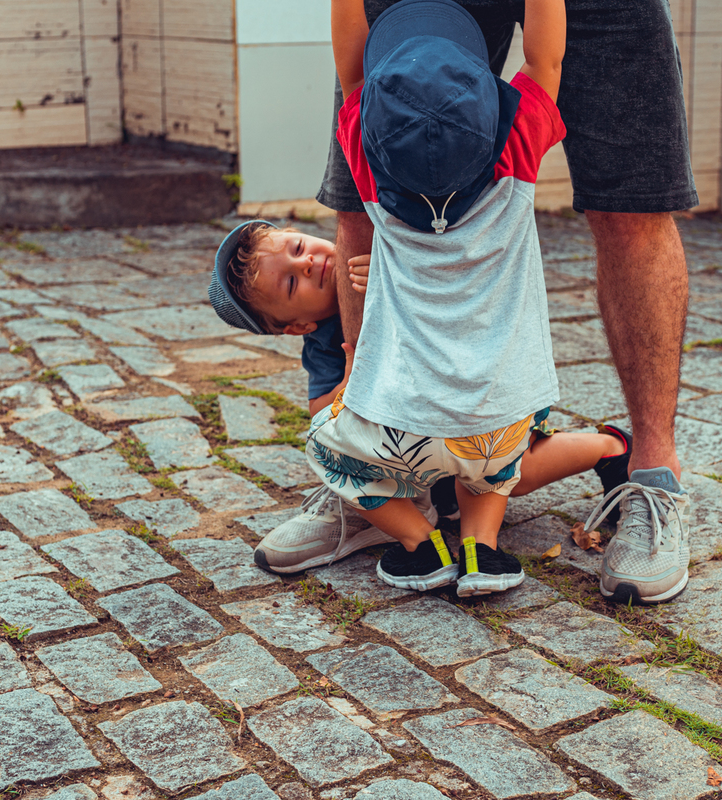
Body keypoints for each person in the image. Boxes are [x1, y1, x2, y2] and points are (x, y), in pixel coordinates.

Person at [317, 0, 694, 604]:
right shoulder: (517, 154)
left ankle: (651, 476)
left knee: (634, 201)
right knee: (490, 451)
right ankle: (463, 526)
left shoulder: (367, 138)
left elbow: (354, 72)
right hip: (502, 421)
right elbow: (547, 62)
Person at [208, 219, 631, 580]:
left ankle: (611, 448)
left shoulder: (382, 259)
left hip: (476, 409)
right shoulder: (323, 340)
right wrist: (352, 377)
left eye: (299, 247)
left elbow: (451, 295)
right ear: (298, 325)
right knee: (335, 446)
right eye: (291, 281)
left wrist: (395, 281)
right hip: (413, 445)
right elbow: (322, 414)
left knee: (522, 474)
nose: (308, 262)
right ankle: (388, 511)